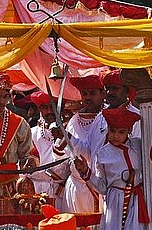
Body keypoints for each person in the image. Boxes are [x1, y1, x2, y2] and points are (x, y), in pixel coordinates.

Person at [74, 107, 149, 230]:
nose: (116, 136)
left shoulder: (138, 145)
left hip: (136, 199)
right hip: (116, 202)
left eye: (121, 132)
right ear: (107, 129)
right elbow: (102, 187)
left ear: (129, 130)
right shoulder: (103, 154)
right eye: (112, 131)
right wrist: (86, 173)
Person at [62, 74, 106, 213]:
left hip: (100, 186)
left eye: (92, 93)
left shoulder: (107, 119)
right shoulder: (73, 121)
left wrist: (71, 139)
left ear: (102, 94)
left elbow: (94, 154)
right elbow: (66, 156)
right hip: (76, 187)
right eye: (84, 93)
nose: (88, 97)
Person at [26, 91, 70, 209]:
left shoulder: (70, 131)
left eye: (53, 106)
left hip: (62, 194)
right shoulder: (31, 133)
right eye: (44, 107)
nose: (49, 111)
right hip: (36, 193)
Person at [101, 69, 141, 138]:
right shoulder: (100, 116)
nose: (109, 92)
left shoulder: (136, 116)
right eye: (107, 88)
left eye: (115, 88)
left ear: (127, 91)